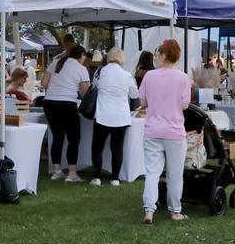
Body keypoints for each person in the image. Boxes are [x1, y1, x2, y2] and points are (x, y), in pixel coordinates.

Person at [139, 39, 191, 224]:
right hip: (175, 131)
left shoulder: (149, 76)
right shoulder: (183, 78)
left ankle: (149, 210)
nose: (155, 57)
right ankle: (175, 211)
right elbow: (185, 105)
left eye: (157, 54)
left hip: (153, 130)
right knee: (175, 174)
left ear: (163, 55)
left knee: (152, 172)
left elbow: (143, 102)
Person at [89, 47, 138, 187]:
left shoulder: (100, 72)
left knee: (97, 147)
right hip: (121, 116)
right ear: (122, 58)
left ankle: (96, 177)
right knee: (117, 148)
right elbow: (134, 95)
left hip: (102, 114)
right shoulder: (127, 75)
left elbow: (94, 87)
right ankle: (115, 178)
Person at [42, 45, 90, 183]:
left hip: (50, 103)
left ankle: (57, 171)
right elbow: (85, 92)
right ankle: (72, 173)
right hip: (67, 104)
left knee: (57, 136)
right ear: (82, 56)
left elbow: (44, 83)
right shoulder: (81, 69)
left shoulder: (56, 63)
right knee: (73, 139)